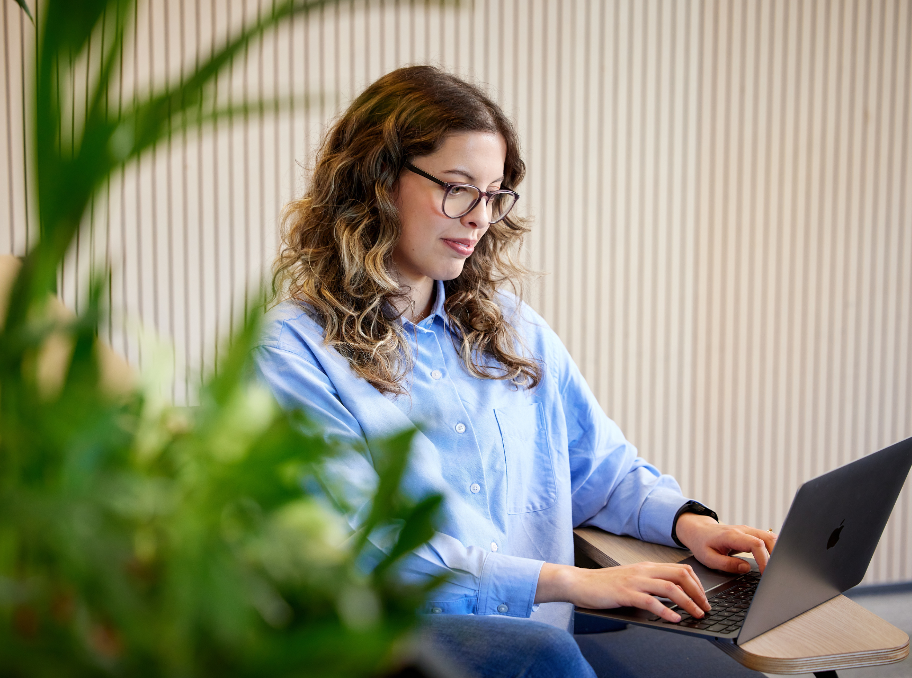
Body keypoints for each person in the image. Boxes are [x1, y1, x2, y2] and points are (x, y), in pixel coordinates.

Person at [254, 65, 777, 678]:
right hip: (398, 649)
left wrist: (689, 522)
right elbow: (360, 547)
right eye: (457, 187)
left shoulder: (511, 327)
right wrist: (568, 582)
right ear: (376, 182)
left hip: (540, 640)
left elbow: (598, 469)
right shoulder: (292, 350)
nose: (480, 216)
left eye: (494, 193)